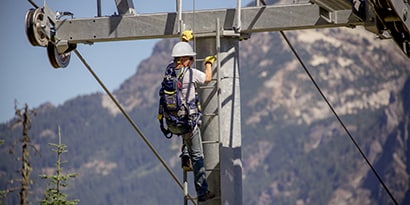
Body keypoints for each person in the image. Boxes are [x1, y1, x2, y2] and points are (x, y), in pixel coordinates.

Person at [168, 31, 216, 202]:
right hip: (188, 123)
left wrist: (183, 41)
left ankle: (185, 156)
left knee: (186, 131)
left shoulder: (170, 72)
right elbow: (208, 79)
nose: (194, 61)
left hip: (172, 122)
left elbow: (179, 56)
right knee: (199, 157)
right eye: (192, 58)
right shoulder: (192, 73)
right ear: (186, 59)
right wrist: (209, 63)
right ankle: (202, 192)